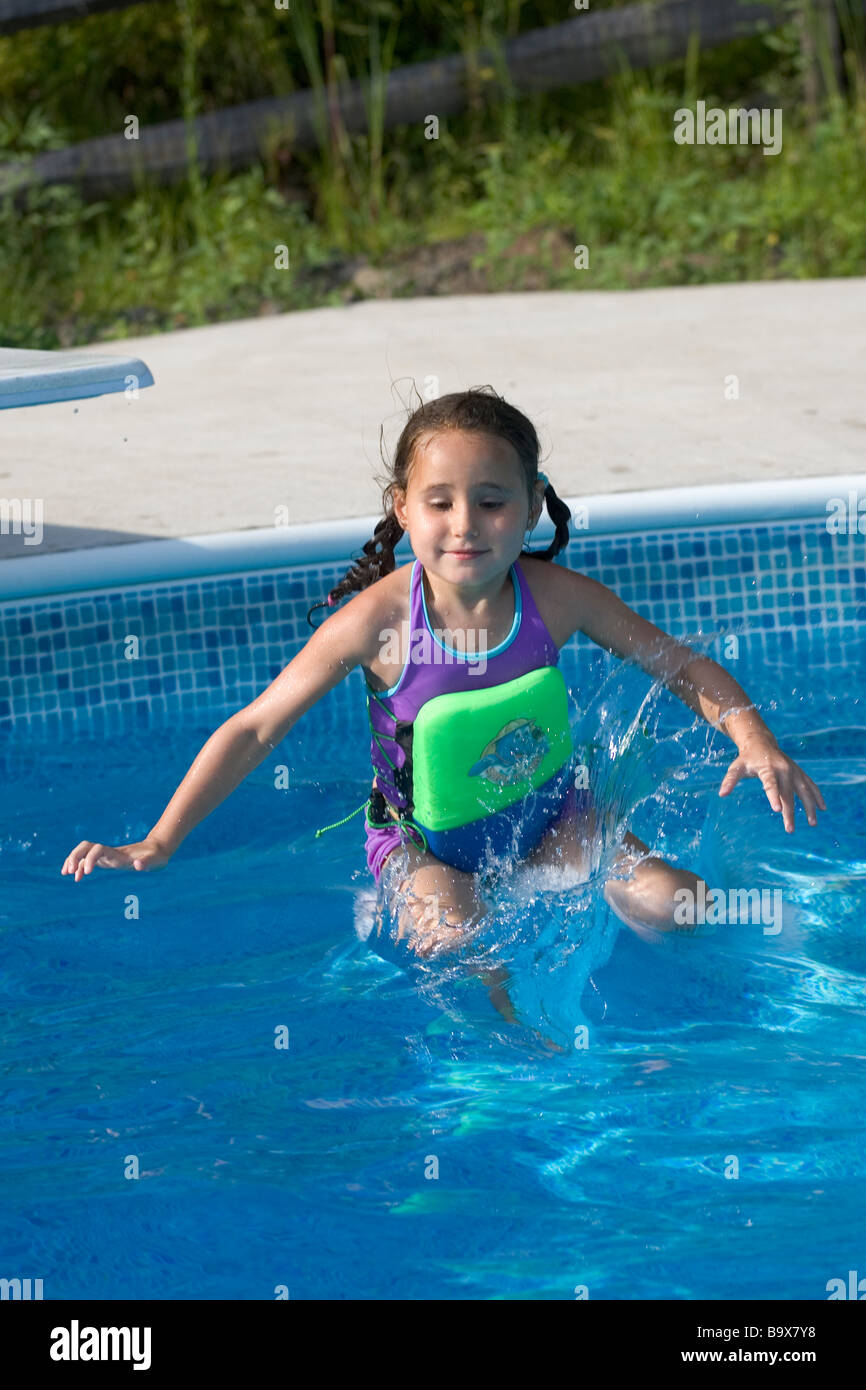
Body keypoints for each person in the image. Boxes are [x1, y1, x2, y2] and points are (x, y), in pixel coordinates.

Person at [61, 387, 825, 964]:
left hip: (556, 818)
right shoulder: (378, 624)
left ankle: (799, 935)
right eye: (440, 502)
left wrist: (751, 735)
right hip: (424, 845)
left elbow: (678, 662)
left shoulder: (556, 600)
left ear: (530, 508)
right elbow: (256, 727)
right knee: (458, 940)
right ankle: (495, 1082)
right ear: (402, 509)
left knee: (676, 903)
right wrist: (157, 843)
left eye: (492, 502)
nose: (465, 524)